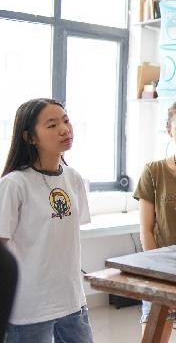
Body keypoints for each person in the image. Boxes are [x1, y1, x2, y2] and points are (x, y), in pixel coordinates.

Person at [0, 98, 94, 343]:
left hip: (72, 301)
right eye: (52, 125)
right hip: (28, 309)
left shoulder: (73, 178)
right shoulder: (14, 184)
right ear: (29, 137)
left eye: (66, 121)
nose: (64, 129)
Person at [133, 97, 176, 342]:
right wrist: (160, 276)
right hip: (159, 268)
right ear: (169, 130)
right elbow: (146, 230)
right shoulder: (153, 171)